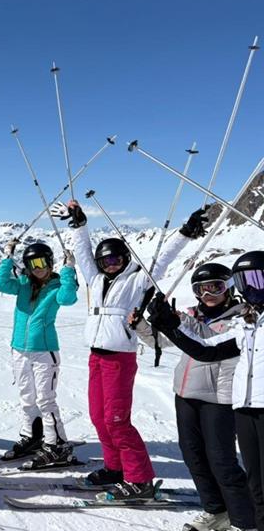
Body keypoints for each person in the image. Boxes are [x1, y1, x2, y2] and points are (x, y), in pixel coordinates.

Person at [60, 200, 206, 500]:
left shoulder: (137, 279)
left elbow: (162, 258)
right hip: (96, 356)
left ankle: (139, 480)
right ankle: (115, 468)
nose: (110, 264)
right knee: (99, 418)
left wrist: (185, 233)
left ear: (126, 258)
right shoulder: (96, 279)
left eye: (115, 259)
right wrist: (79, 225)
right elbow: (83, 253)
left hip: (120, 359)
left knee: (116, 420)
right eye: (106, 261)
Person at [147, 251, 264, 531]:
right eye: (201, 289)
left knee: (222, 461)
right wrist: (154, 320)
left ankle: (246, 522)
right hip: (187, 392)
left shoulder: (242, 316)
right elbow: (168, 338)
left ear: (229, 288)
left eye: (216, 287)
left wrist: (175, 324)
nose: (208, 294)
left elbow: (206, 343)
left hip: (221, 398)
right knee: (194, 456)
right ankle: (217, 511)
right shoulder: (191, 315)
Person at [0, 240, 78, 467]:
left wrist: (69, 270)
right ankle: (31, 436)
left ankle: (57, 445)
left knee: (45, 399)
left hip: (44, 351)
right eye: (32, 264)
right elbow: (2, 284)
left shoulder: (57, 286)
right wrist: (7, 258)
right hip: (19, 350)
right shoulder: (23, 284)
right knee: (26, 397)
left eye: (42, 262)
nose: (38, 268)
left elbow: (68, 298)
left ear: (51, 262)